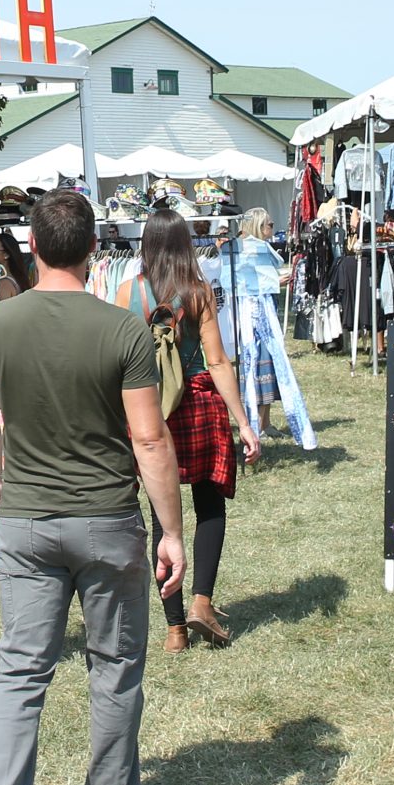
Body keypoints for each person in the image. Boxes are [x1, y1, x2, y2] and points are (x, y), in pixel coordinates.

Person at [0, 191, 185, 785]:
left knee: (20, 671)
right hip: (107, 520)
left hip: (28, 521)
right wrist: (173, 530)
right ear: (95, 250)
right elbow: (150, 441)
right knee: (115, 664)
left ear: (31, 245)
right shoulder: (123, 328)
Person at [112, 209, 260, 650]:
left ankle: (175, 629)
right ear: (184, 244)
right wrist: (244, 422)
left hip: (153, 411)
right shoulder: (198, 293)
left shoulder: (127, 292)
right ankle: (201, 603)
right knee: (210, 505)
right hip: (201, 405)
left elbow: (119, 363)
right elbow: (217, 361)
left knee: (164, 512)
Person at [219, 208, 315, 450]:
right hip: (255, 315)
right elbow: (238, 279)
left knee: (260, 369)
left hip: (245, 315)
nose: (272, 228)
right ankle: (255, 425)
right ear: (259, 226)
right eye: (269, 224)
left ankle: (261, 422)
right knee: (264, 366)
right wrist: (275, 281)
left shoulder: (235, 248)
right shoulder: (250, 248)